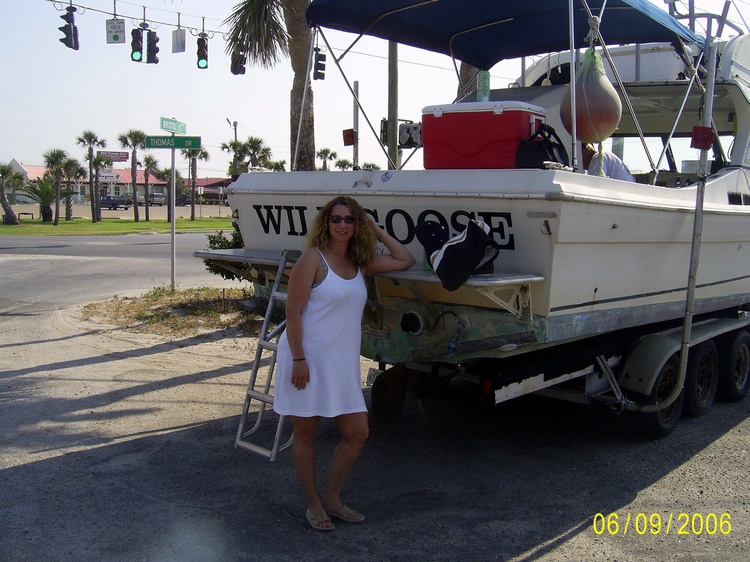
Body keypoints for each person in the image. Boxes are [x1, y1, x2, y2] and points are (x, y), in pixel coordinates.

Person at [273, 195, 416, 532]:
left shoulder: (360, 262)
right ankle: (313, 504)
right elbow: (292, 312)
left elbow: (405, 259)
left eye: (350, 220)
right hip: (304, 358)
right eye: (336, 219)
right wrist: (298, 359)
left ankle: (332, 499)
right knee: (305, 434)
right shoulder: (313, 259)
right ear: (326, 222)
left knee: (357, 433)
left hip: (340, 363)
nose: (342, 225)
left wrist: (376, 229)